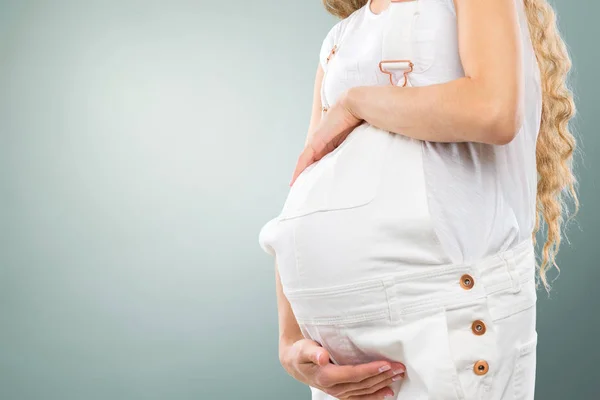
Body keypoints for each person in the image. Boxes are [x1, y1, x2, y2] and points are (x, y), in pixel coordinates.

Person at [258, 0, 578, 399]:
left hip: (447, 315)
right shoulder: (339, 40)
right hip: (340, 361)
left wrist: (356, 103)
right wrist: (290, 340)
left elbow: (493, 109)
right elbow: (307, 176)